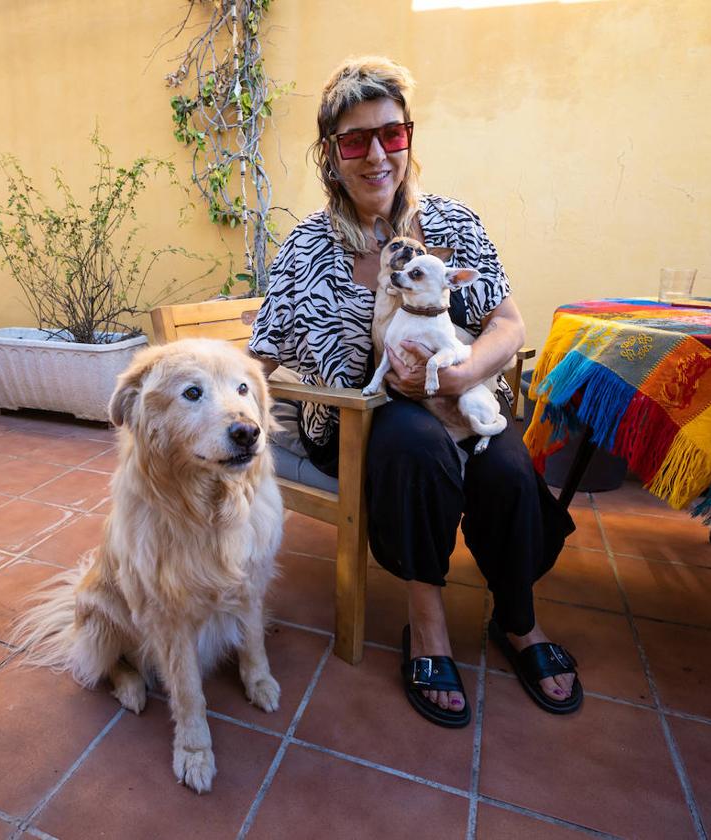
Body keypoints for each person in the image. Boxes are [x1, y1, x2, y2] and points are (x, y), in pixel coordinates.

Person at [248, 56, 580, 728]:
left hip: (460, 395)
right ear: (330, 155)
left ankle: (517, 620)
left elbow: (507, 323)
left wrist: (462, 374)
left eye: (391, 135)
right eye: (354, 140)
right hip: (364, 415)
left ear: (409, 139)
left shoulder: (454, 224)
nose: (376, 155)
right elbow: (261, 353)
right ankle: (425, 624)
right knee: (417, 449)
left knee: (511, 469)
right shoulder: (308, 247)